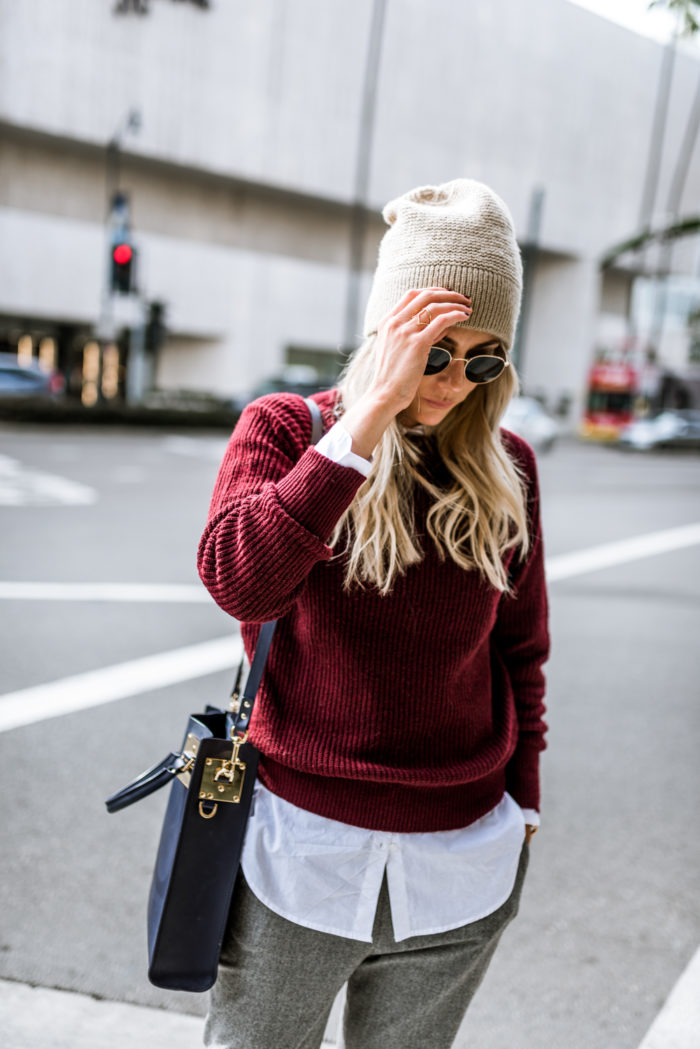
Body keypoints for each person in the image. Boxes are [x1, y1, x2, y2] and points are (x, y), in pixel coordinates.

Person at [197, 178, 550, 1049]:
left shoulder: (509, 467)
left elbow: (521, 649)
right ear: (388, 328)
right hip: (300, 854)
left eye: (484, 357)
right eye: (435, 347)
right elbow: (240, 580)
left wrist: (525, 802)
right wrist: (361, 428)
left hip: (461, 864)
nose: (454, 378)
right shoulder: (287, 431)